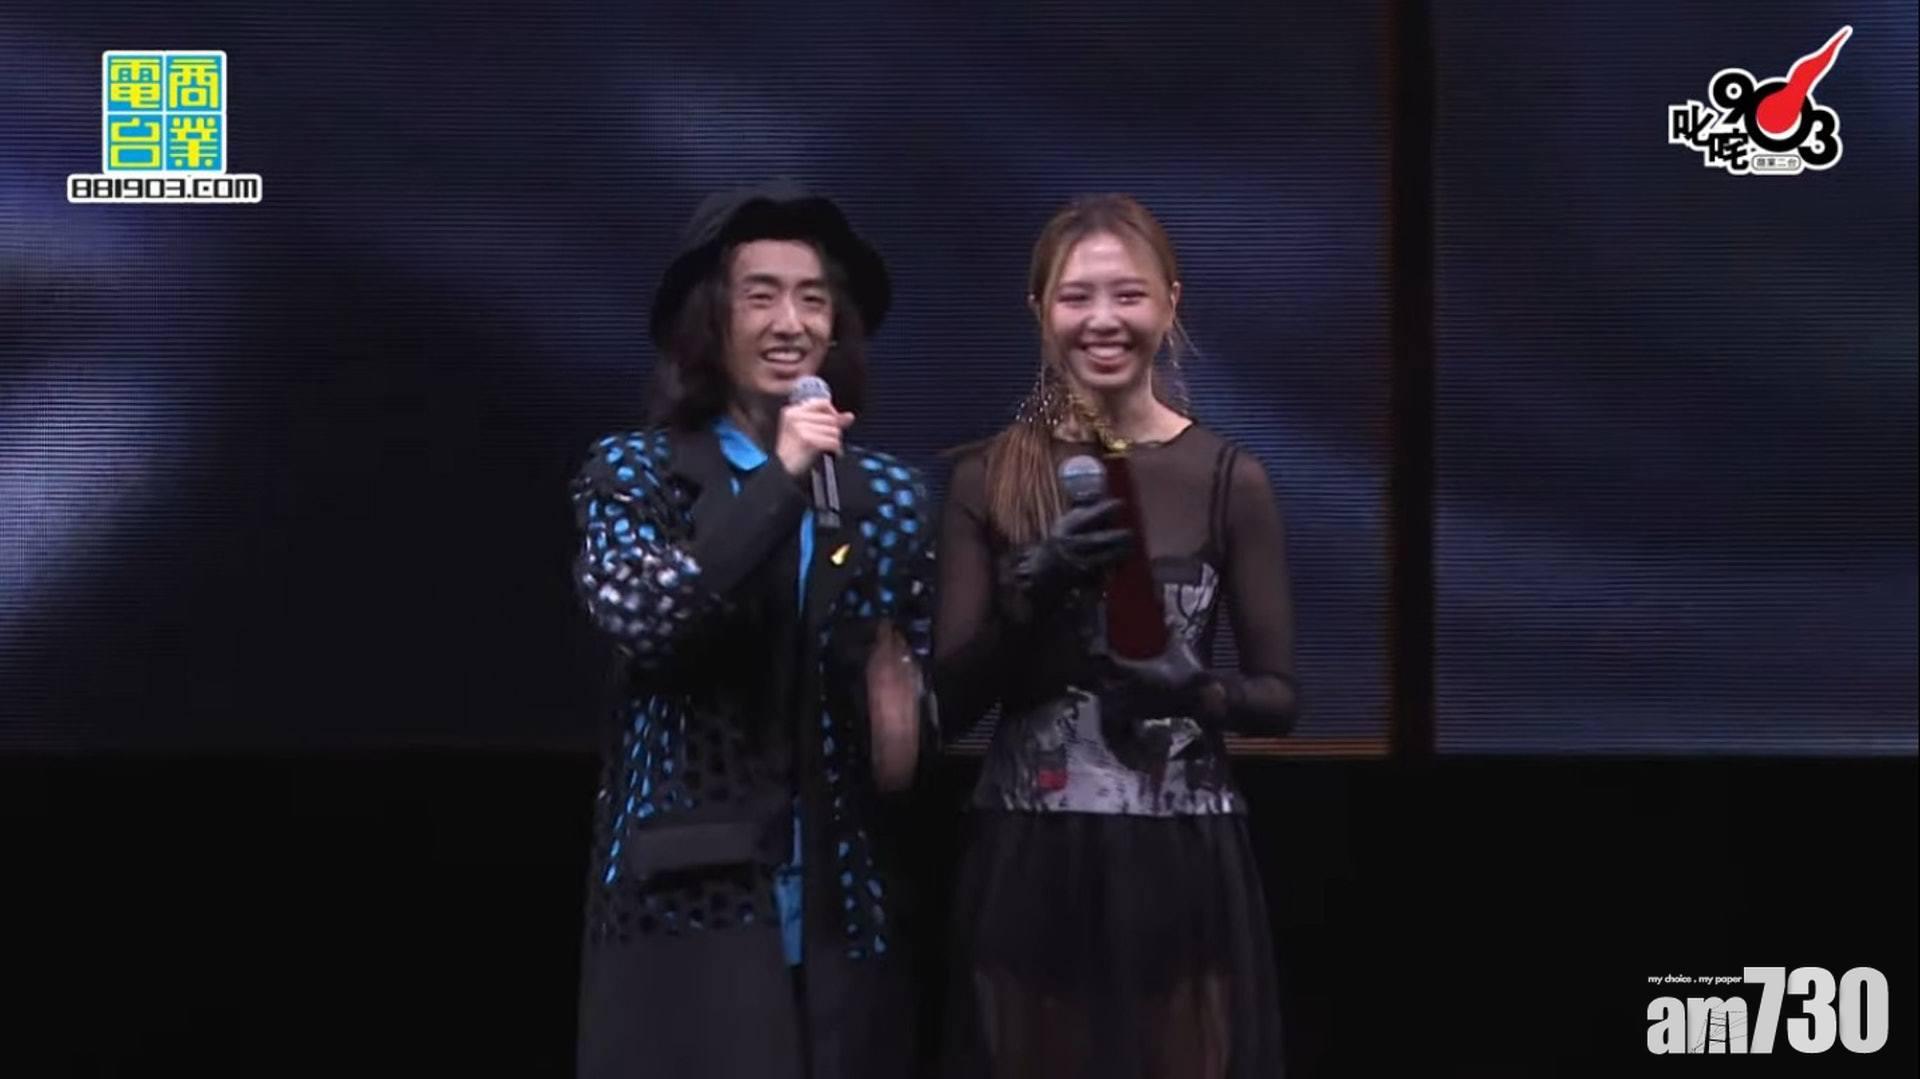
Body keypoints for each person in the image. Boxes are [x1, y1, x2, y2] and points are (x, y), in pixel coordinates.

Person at [570, 180, 935, 1079]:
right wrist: (780, 478)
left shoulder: (888, 497)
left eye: (813, 299)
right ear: (711, 319)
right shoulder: (636, 474)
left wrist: (909, 714)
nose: (791, 323)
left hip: (842, 902)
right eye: (760, 295)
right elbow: (647, 616)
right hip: (685, 900)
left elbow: (913, 675)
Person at [934, 194, 1298, 1079]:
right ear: (1040, 309)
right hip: (1034, 843)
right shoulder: (989, 475)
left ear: (1170, 304)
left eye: (1128, 295)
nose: (1103, 319)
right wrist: (1028, 595)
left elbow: (1280, 696)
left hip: (1179, 845)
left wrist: (1199, 692)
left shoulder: (1228, 477)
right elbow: (947, 703)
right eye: (1077, 296)